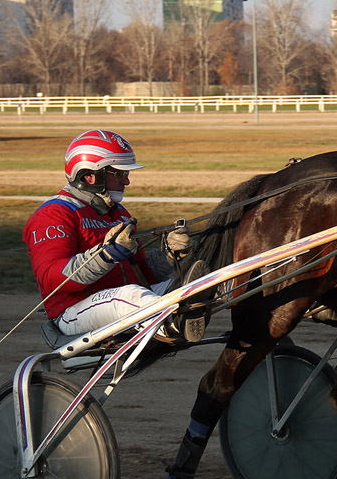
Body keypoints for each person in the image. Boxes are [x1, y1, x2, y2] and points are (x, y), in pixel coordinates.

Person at [23, 128, 205, 342]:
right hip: (73, 314)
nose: (126, 181)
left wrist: (169, 256)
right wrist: (106, 255)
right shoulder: (53, 215)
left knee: (198, 282)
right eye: (119, 173)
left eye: (126, 174)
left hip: (124, 302)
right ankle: (170, 325)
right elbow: (51, 280)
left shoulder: (118, 213)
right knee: (130, 296)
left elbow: (144, 276)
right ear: (89, 175)